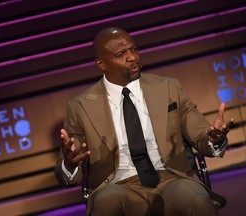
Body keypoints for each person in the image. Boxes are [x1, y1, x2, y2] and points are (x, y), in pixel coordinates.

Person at [55, 27, 234, 216]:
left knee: (197, 201)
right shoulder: (80, 106)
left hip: (172, 178)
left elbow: (201, 135)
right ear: (101, 64)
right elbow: (67, 171)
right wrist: (70, 164)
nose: (132, 57)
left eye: (134, 49)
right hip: (117, 185)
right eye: (121, 54)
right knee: (105, 204)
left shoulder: (168, 88)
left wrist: (214, 140)